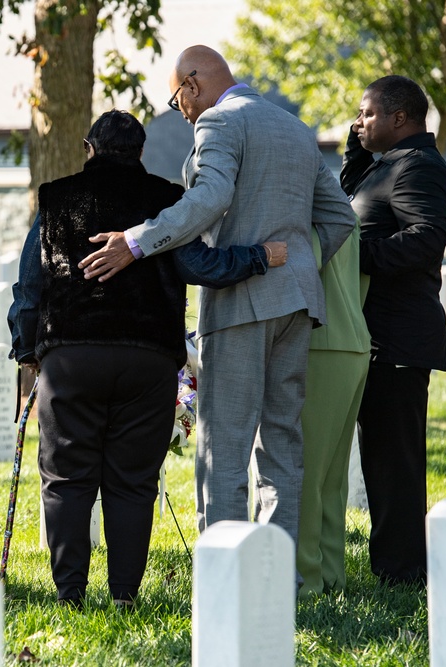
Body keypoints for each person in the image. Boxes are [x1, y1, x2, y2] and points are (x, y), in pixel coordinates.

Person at [77, 46, 356, 549]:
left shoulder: (220, 123)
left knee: (223, 444)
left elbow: (209, 200)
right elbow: (340, 217)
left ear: (192, 84)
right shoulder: (294, 127)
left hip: (240, 304)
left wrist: (136, 242)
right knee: (281, 442)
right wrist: (296, 265)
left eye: (175, 100)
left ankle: (225, 571)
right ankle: (276, 570)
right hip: (296, 303)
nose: (179, 112)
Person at [8, 109, 287, 608]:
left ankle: (71, 593)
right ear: (139, 153)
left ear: (89, 149)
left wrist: (27, 350)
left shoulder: (56, 198)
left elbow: (30, 284)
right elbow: (200, 265)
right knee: (133, 481)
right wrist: (260, 256)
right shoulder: (166, 201)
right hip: (148, 360)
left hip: (72, 356)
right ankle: (124, 596)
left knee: (67, 478)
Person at [340, 75, 446, 586]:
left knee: (395, 462)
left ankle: (404, 572)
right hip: (371, 334)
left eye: (366, 113)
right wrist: (355, 152)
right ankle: (395, 564)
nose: (359, 121)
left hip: (399, 336)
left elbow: (424, 240)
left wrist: (349, 260)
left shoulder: (419, 168)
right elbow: (353, 210)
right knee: (380, 457)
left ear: (399, 118)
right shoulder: (385, 165)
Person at [296, 222, 370, 597]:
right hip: (355, 339)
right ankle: (331, 573)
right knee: (332, 478)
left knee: (307, 473)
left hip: (320, 346)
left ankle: (307, 580)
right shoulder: (345, 216)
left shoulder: (307, 220)